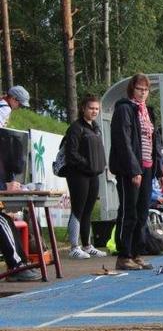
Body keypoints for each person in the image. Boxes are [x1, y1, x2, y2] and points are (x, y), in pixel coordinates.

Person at [109, 73, 163, 270]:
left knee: (142, 212)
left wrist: (160, 171)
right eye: (139, 89)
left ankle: (136, 253)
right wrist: (134, 169)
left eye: (146, 90)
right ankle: (124, 255)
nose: (143, 93)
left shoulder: (147, 111)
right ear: (132, 89)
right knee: (129, 212)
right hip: (130, 169)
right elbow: (123, 141)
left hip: (148, 168)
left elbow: (155, 142)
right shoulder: (124, 109)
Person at [62, 94, 108, 259]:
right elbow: (71, 153)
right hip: (78, 174)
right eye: (91, 108)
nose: (94, 111)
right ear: (83, 108)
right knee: (78, 209)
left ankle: (87, 245)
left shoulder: (95, 127)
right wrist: (86, 164)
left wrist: (99, 166)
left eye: (97, 108)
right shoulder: (75, 128)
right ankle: (74, 247)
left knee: (88, 210)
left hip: (93, 174)